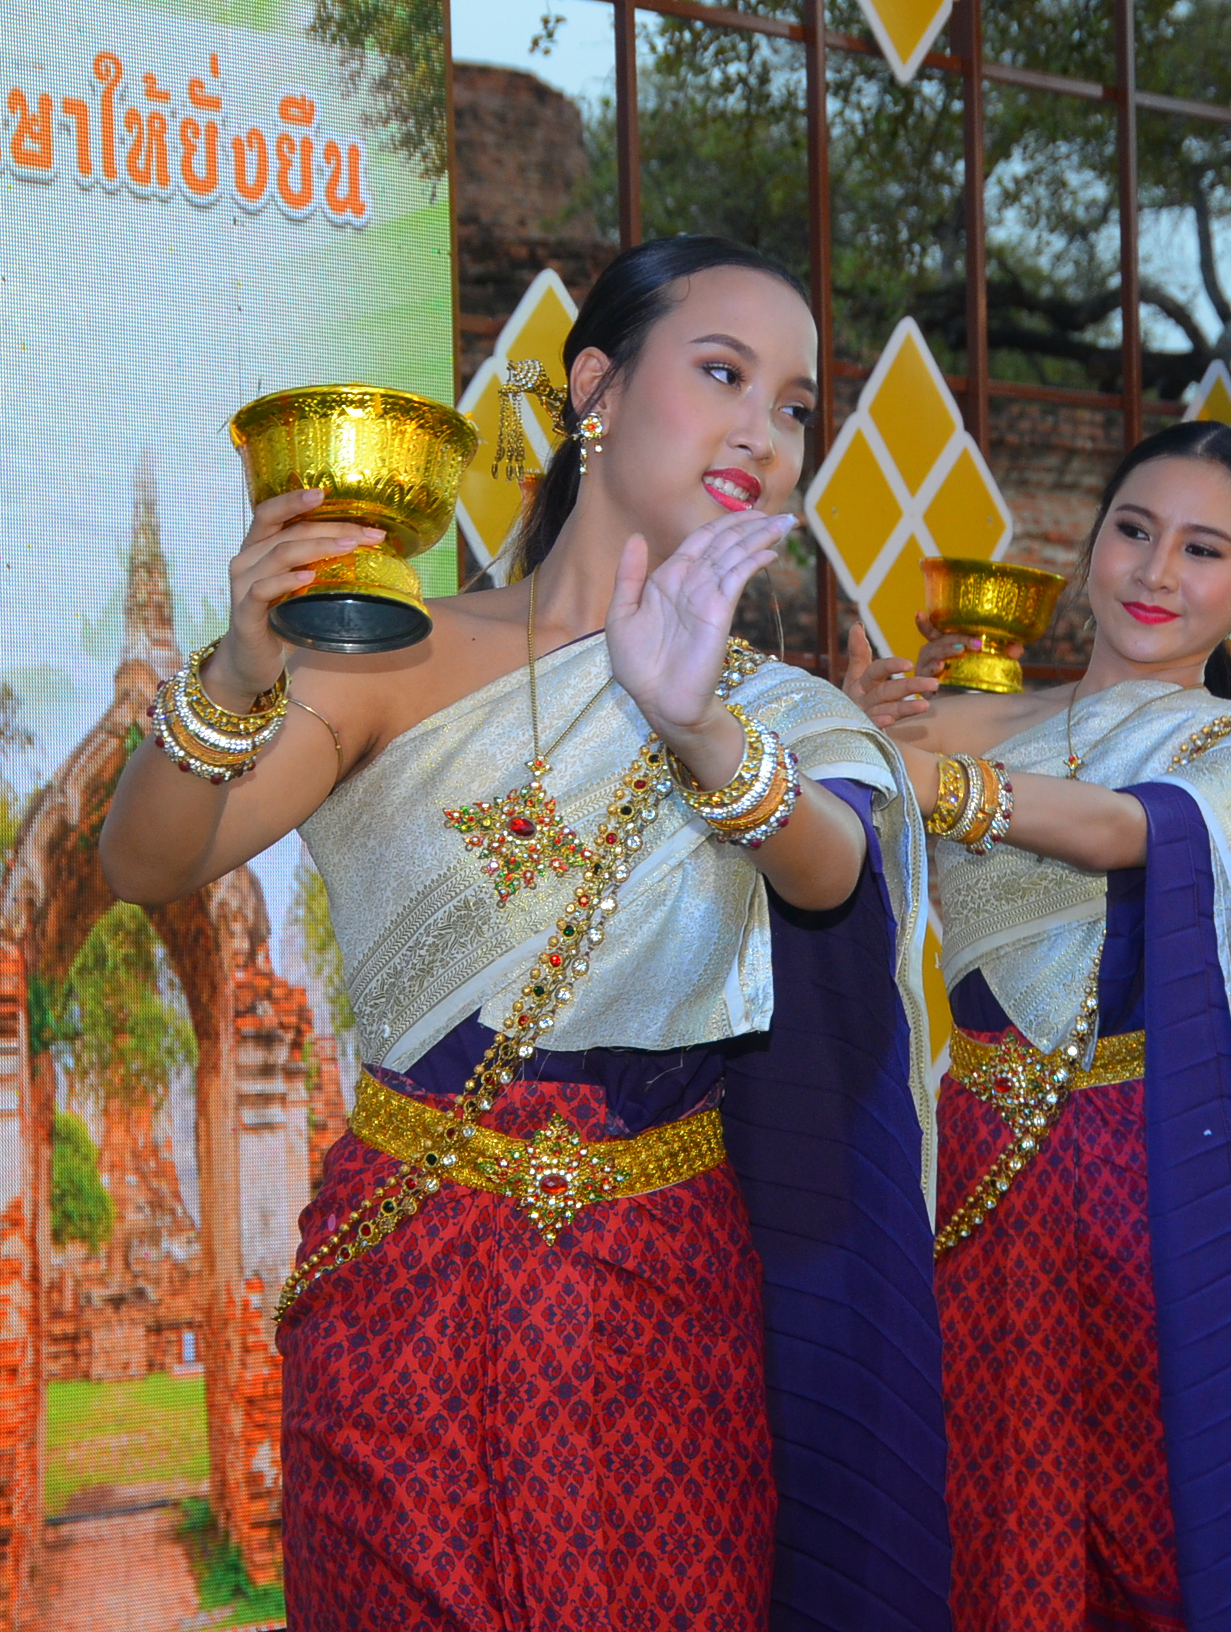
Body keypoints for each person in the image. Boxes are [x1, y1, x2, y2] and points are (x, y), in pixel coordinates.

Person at [100, 237, 949, 1631]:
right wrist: (241, 668)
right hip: (406, 1297)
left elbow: (830, 873)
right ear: (596, 389)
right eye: (723, 374)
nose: (763, 429)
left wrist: (694, 725)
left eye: (796, 407)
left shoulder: (778, 716)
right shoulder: (393, 652)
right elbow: (147, 859)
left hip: (665, 1310)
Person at [846, 420, 1231, 1632]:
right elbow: (841, 833)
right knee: (983, 1508)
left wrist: (926, 779)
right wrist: (854, 728)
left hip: (1151, 1183)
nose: (1155, 571)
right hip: (972, 1168)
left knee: (1151, 1521)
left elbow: (1131, 829)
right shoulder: (970, 723)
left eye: (1202, 549)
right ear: (1089, 545)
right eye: (1133, 530)